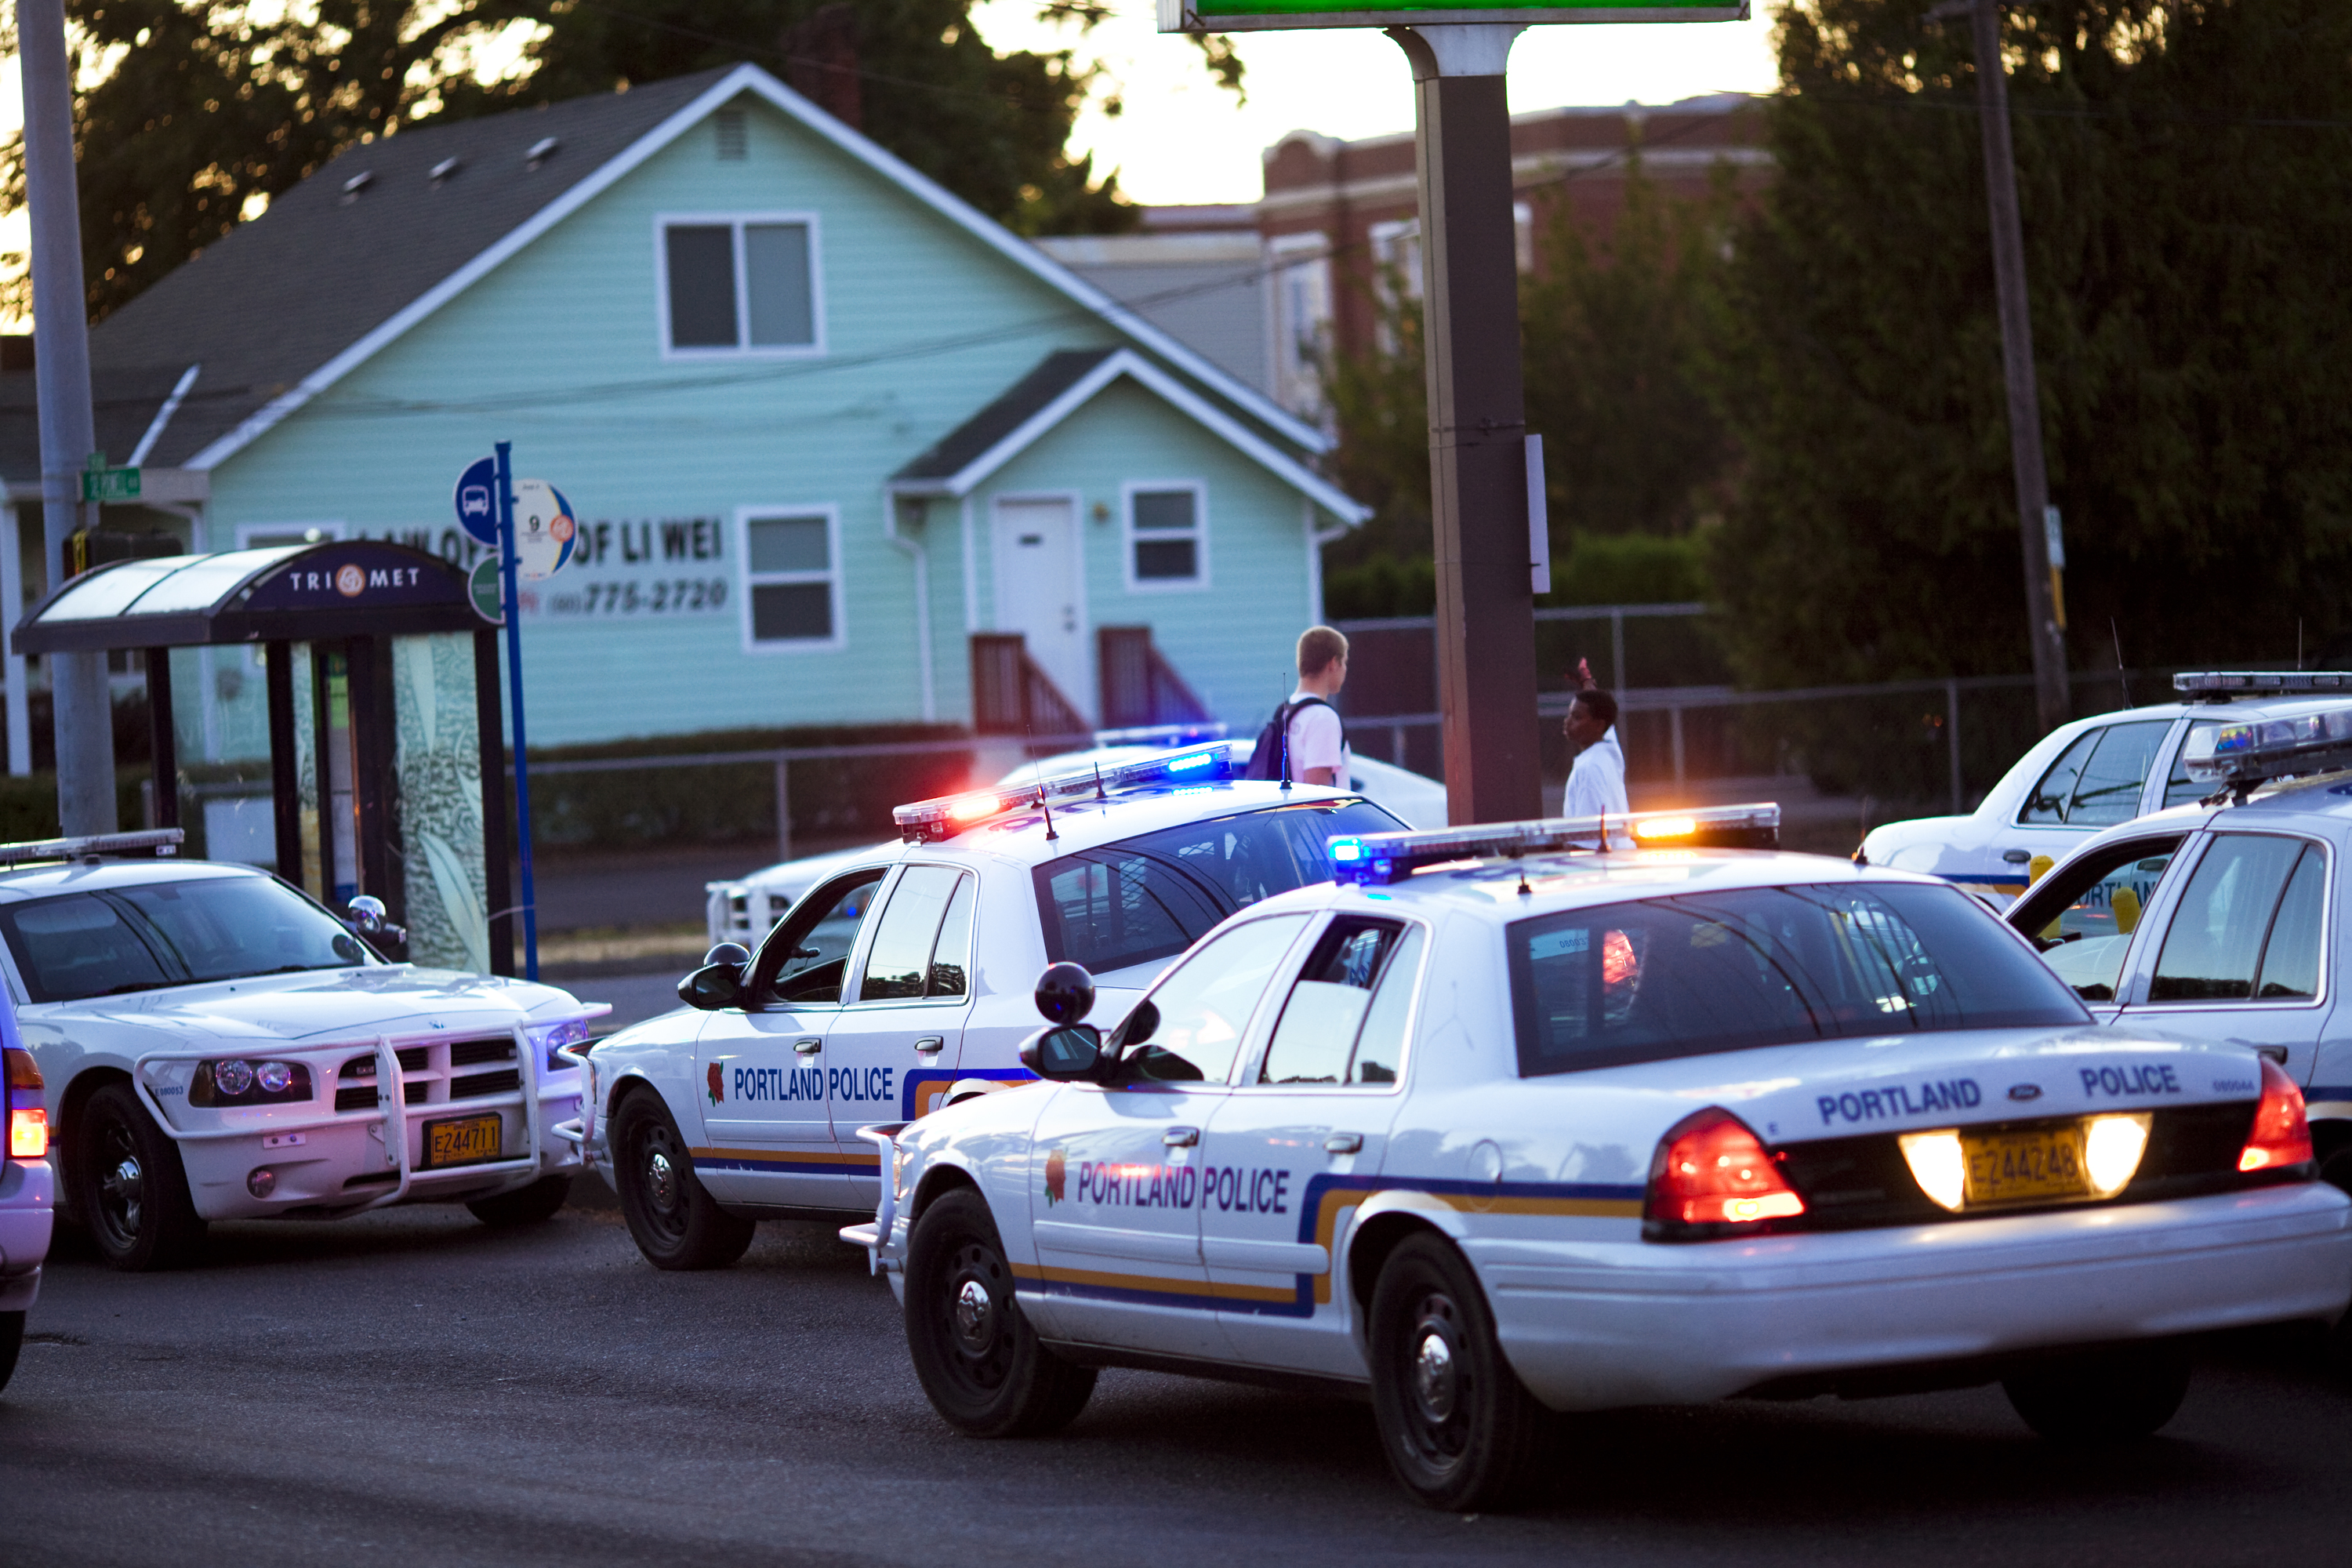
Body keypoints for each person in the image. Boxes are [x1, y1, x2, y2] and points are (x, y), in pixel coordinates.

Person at [1285, 626, 1350, 786]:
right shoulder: (1322, 718)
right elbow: (1319, 800)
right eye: (1344, 662)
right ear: (1333, 663)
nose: (1345, 669)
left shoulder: (1287, 711)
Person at [1562, 670, 1628, 819]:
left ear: (1599, 725)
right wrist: (1588, 685)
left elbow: (1587, 840)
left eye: (1577, 717)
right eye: (1570, 714)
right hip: (1620, 843)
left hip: (1605, 844)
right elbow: (1606, 720)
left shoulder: (1589, 768)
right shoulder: (1611, 751)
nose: (1568, 721)